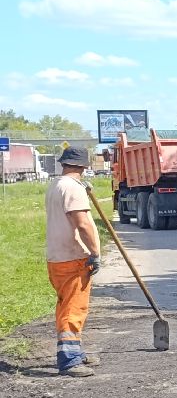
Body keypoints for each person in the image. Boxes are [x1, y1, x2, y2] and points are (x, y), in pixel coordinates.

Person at [44, 146, 101, 377]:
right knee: (73, 309)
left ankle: (75, 350)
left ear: (64, 163)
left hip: (57, 257)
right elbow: (82, 224)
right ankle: (69, 360)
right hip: (74, 257)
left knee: (65, 306)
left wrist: (82, 190)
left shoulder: (57, 185)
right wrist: (95, 252)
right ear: (85, 166)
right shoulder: (72, 188)